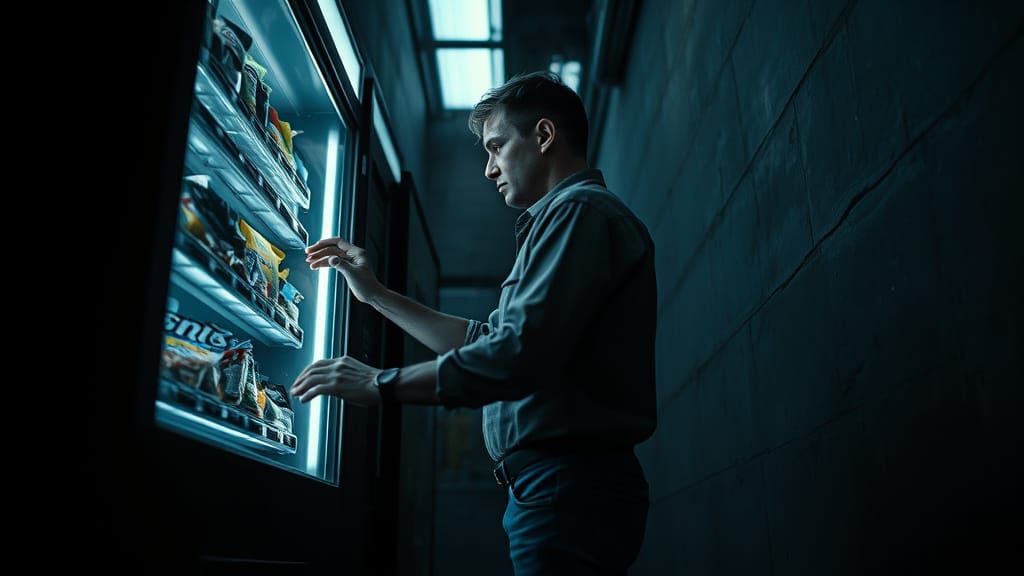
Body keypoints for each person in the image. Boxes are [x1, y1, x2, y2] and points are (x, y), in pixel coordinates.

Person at [291, 71, 657, 575]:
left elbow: (515, 356)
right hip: (555, 488)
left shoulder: (579, 214)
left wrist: (381, 383)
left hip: (565, 486)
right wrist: (374, 295)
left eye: (496, 147)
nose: (489, 169)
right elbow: (489, 341)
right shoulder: (565, 220)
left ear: (544, 136)